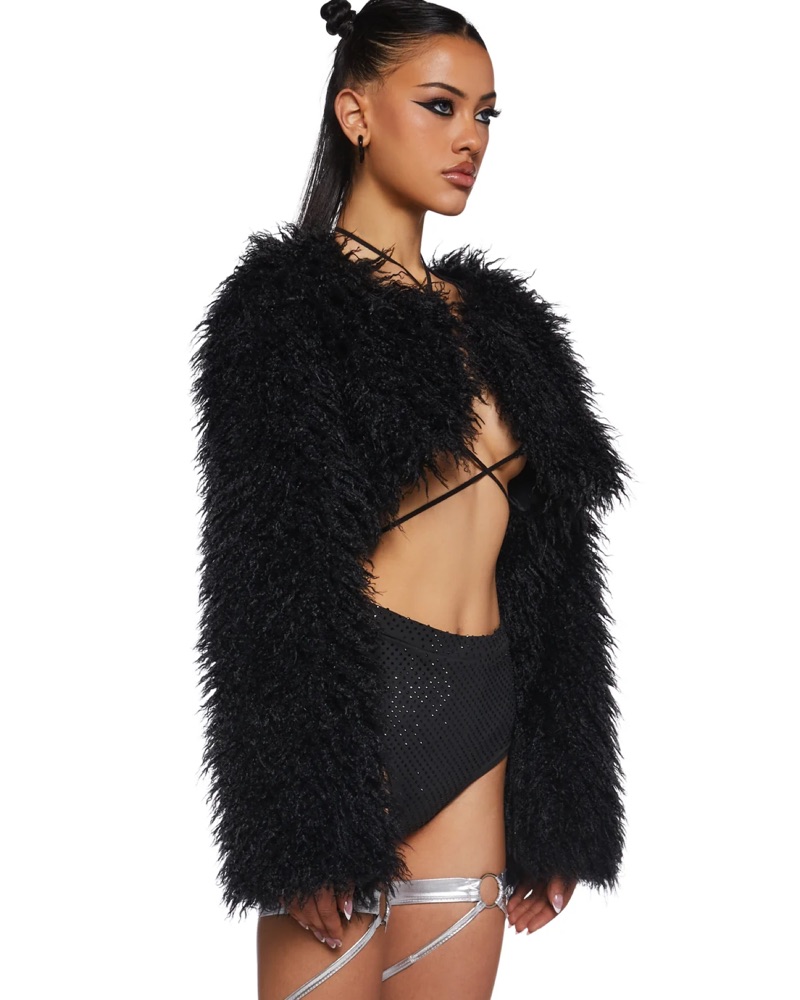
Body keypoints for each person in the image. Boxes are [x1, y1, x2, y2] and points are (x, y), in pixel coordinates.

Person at [190, 1, 632, 997]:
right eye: (439, 105)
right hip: (354, 721)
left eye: (485, 113)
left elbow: (557, 583)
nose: (469, 137)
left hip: (484, 718)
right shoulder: (284, 314)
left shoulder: (507, 331)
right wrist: (297, 823)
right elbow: (266, 579)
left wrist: (559, 802)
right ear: (355, 113)